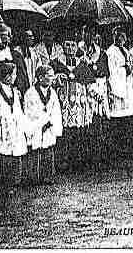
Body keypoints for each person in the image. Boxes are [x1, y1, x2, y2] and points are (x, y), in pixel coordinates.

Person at [0, 62, 30, 192]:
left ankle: (15, 182)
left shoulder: (14, 90)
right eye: (13, 74)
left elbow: (17, 109)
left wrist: (23, 125)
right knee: (4, 155)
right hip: (2, 126)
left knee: (16, 153)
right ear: (7, 75)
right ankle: (4, 184)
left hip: (14, 126)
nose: (15, 77)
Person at [53, 35, 95, 171]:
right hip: (63, 104)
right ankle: (63, 162)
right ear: (62, 46)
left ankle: (78, 161)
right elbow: (49, 82)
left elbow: (89, 85)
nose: (70, 48)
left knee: (78, 132)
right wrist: (57, 78)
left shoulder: (82, 65)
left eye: (73, 45)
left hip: (79, 105)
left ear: (77, 48)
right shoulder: (55, 63)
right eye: (67, 45)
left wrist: (95, 97)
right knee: (64, 132)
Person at [78, 24, 110, 168]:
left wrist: (92, 67)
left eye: (91, 33)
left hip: (98, 89)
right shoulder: (78, 51)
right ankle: (85, 157)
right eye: (86, 33)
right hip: (84, 91)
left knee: (99, 121)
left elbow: (105, 72)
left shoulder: (101, 53)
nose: (89, 36)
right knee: (85, 122)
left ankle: (99, 156)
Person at [23, 65, 63, 184]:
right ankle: (34, 177)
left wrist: (52, 122)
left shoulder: (53, 93)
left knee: (48, 149)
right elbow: (30, 111)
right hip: (37, 125)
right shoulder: (31, 93)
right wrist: (43, 121)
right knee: (36, 150)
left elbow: (56, 110)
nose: (52, 78)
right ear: (40, 77)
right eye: (49, 76)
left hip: (48, 126)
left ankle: (47, 175)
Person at [106, 27, 133, 162]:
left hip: (127, 87)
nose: (120, 39)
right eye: (117, 36)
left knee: (128, 117)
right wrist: (124, 70)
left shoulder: (126, 51)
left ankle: (129, 150)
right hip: (118, 89)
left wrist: (130, 68)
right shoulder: (110, 52)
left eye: (122, 36)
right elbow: (111, 72)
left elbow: (132, 67)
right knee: (118, 119)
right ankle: (118, 151)